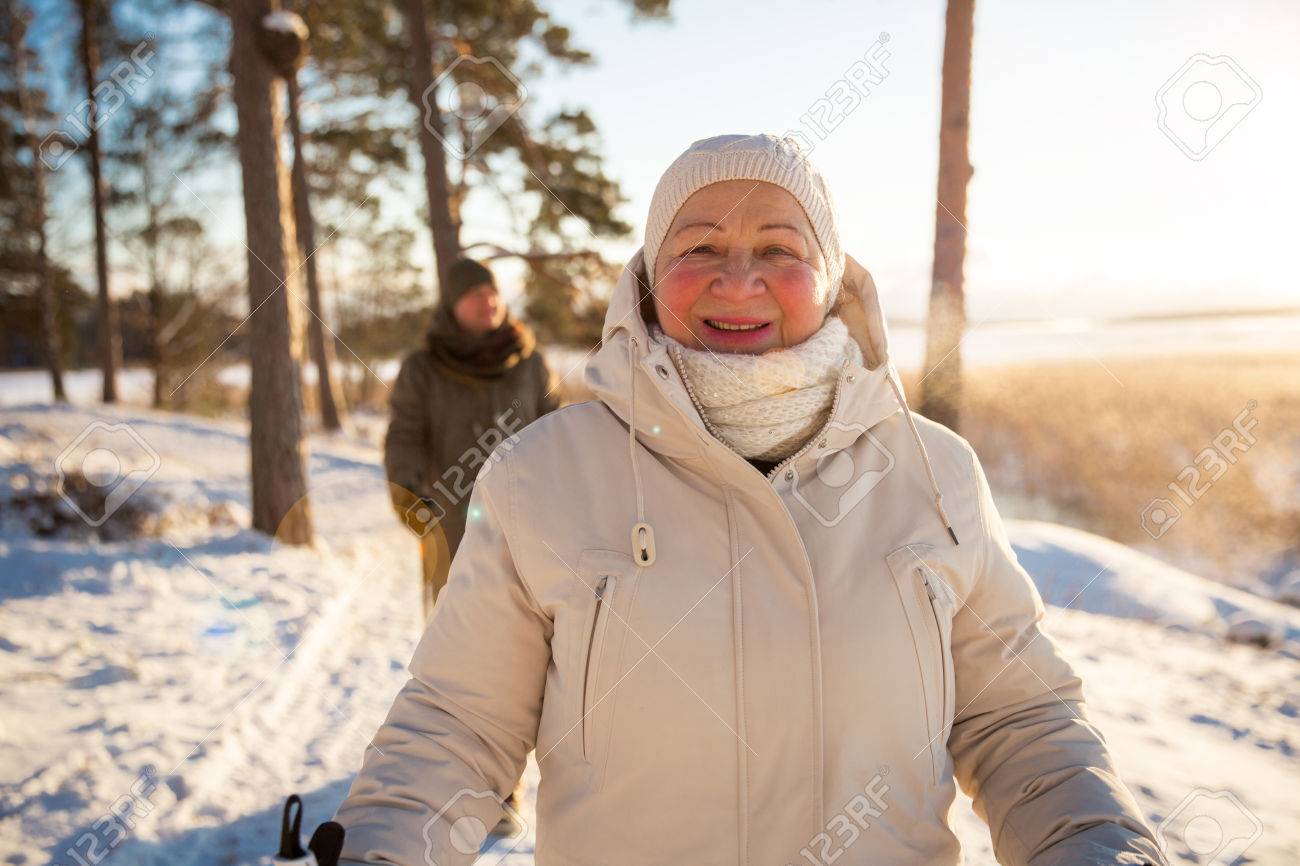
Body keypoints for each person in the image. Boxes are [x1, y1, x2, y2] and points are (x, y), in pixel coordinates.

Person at [339, 135, 1166, 865]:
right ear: (650, 276)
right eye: (699, 246)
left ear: (833, 273)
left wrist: (1101, 851)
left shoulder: (934, 472)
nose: (739, 280)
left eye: (779, 247)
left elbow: (1022, 721)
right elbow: (459, 724)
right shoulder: (540, 478)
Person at [383, 257, 559, 620]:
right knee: (453, 630)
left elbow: (558, 430)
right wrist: (407, 492)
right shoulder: (423, 367)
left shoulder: (530, 362)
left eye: (493, 291)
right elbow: (405, 434)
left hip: (528, 519)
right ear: (452, 304)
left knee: (529, 628)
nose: (488, 301)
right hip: (450, 522)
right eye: (475, 293)